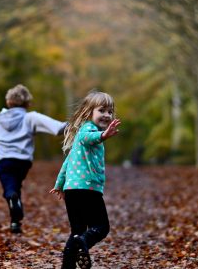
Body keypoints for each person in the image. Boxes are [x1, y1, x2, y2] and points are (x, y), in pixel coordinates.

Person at [0, 84, 66, 233]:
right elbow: (58, 128)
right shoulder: (30, 117)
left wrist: (1, 135)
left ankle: (13, 204)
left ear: (8, 102)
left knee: (10, 187)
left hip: (4, 160)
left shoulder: (0, 118)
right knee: (15, 186)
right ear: (27, 103)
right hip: (22, 161)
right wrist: (79, 124)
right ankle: (15, 223)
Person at [49, 91, 121, 269]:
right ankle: (83, 244)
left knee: (77, 231)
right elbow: (89, 138)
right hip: (88, 189)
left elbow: (67, 163)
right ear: (89, 112)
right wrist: (103, 136)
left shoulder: (79, 140)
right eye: (102, 110)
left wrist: (59, 184)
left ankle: (68, 265)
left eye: (110, 111)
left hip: (72, 190)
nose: (106, 115)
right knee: (101, 227)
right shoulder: (87, 130)